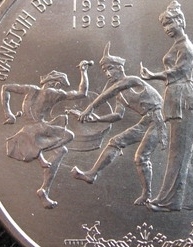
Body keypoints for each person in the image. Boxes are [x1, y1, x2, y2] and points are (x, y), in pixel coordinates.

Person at [70, 42, 167, 206]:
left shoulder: (132, 80)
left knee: (141, 157)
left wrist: (89, 108)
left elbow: (111, 91)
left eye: (110, 68)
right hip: (147, 120)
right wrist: (97, 119)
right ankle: (92, 174)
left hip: (160, 119)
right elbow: (118, 115)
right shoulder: (121, 94)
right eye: (105, 71)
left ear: (120, 68)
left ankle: (147, 194)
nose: (108, 73)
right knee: (115, 142)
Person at [1, 61, 93, 208]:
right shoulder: (54, 93)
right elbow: (82, 93)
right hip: (38, 128)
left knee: (61, 151)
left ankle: (44, 189)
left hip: (31, 128)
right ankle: (38, 153)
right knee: (68, 136)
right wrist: (83, 71)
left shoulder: (30, 89)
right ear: (55, 83)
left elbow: (5, 87)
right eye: (60, 85)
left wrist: (8, 113)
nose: (60, 88)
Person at [140, 0, 193, 212]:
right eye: (164, 25)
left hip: (183, 98)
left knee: (178, 151)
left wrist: (154, 75)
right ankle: (186, 201)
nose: (166, 28)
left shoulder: (186, 47)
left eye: (170, 23)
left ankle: (169, 201)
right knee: (185, 152)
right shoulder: (177, 46)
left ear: (180, 21)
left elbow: (179, 71)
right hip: (176, 97)